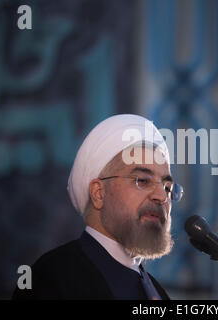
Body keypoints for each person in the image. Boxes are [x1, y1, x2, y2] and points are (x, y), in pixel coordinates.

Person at [12, 114, 183, 300]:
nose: (161, 196)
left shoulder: (156, 292)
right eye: (142, 180)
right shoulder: (50, 276)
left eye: (167, 188)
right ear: (98, 193)